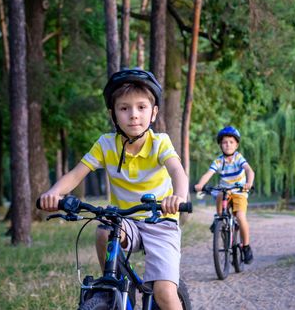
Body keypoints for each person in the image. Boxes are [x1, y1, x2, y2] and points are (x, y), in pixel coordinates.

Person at [39, 68, 188, 310]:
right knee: (103, 231)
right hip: (126, 221)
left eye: (141, 107)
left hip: (160, 220)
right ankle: (116, 288)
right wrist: (54, 194)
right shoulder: (105, 144)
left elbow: (177, 172)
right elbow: (76, 174)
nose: (133, 115)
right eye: (124, 108)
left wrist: (178, 197)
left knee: (164, 292)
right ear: (113, 114)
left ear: (154, 113)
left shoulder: (160, 142)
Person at [194, 126, 255, 264]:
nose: (228, 145)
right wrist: (200, 185)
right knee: (219, 193)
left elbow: (249, 171)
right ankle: (219, 220)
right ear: (221, 145)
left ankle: (245, 247)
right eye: (225, 142)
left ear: (236, 144)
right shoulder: (218, 161)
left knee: (240, 216)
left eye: (231, 142)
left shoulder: (238, 158)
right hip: (225, 191)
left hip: (239, 191)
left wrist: (249, 183)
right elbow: (208, 174)